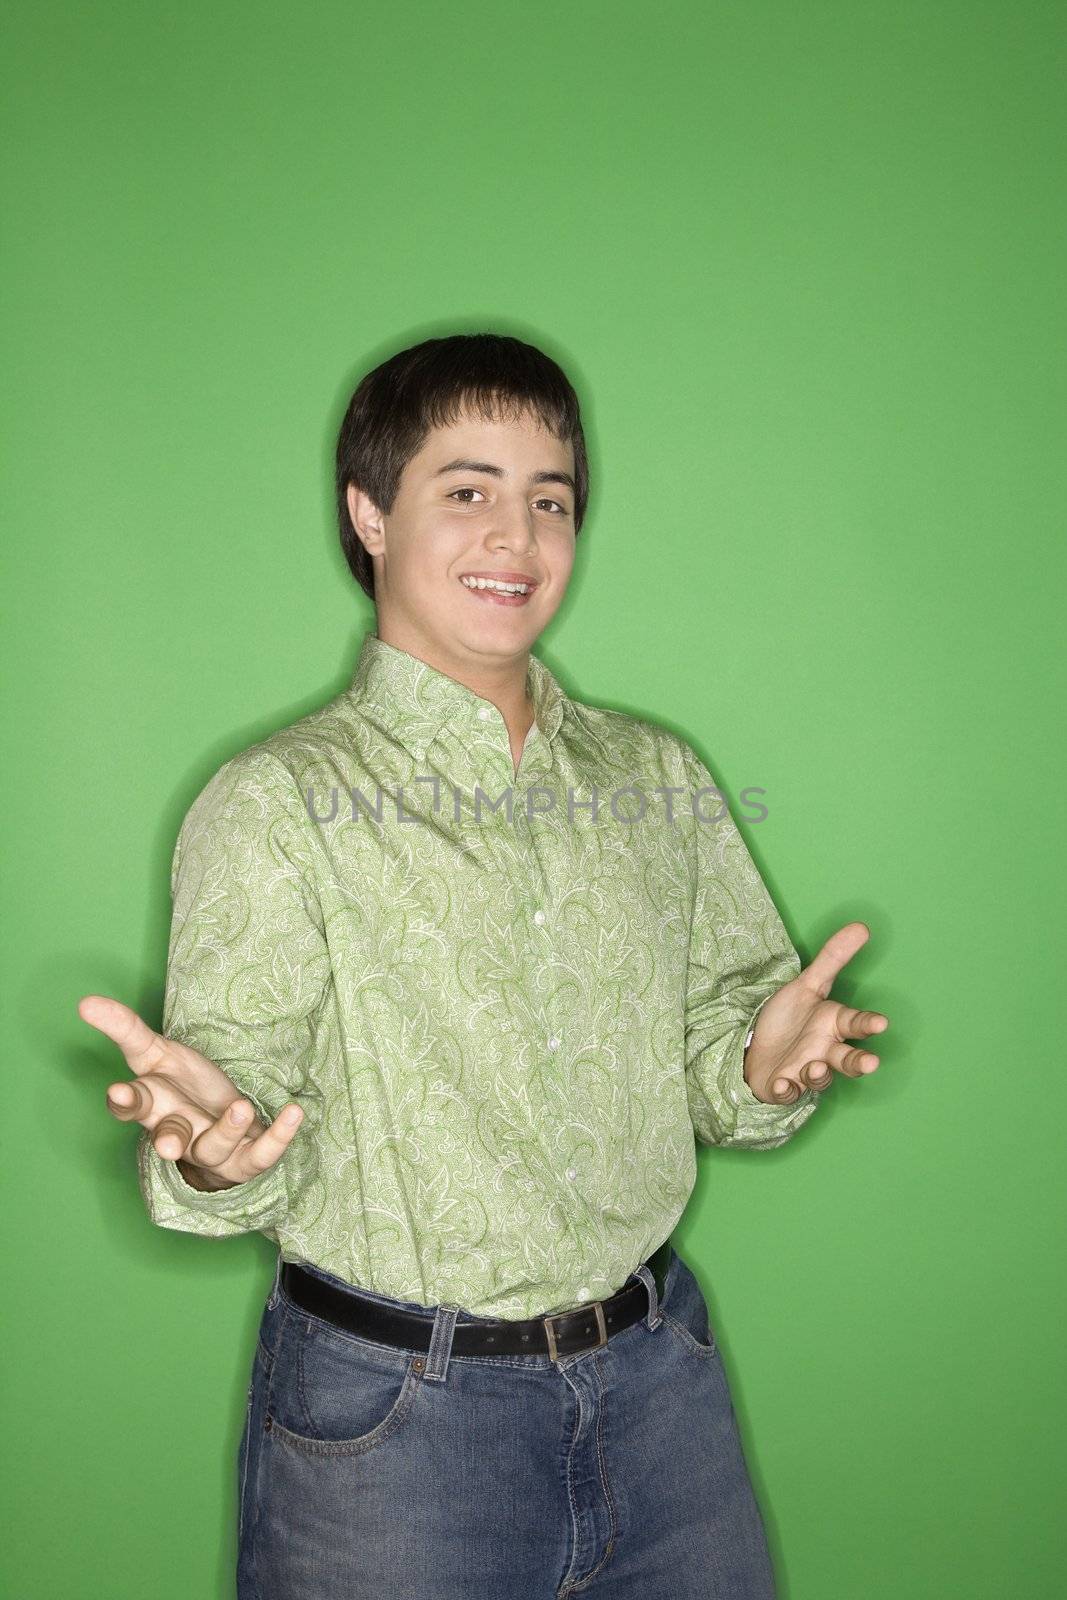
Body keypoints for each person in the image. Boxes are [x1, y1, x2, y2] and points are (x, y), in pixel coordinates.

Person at [79, 332, 889, 1599]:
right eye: (465, 491)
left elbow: (720, 1057)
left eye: (548, 500)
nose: (515, 536)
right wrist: (204, 1148)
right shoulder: (278, 801)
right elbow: (227, 1098)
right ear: (368, 512)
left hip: (660, 1391)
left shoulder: (652, 775)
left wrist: (758, 1065)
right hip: (393, 1434)